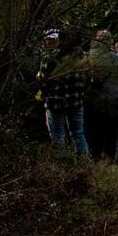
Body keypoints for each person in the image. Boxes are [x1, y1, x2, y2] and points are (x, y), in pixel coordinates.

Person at [33, 30, 91, 158]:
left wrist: (43, 96)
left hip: (55, 102)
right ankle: (85, 163)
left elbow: (42, 81)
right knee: (78, 133)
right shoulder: (81, 57)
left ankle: (62, 165)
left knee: (57, 134)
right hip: (76, 101)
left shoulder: (49, 58)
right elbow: (88, 79)